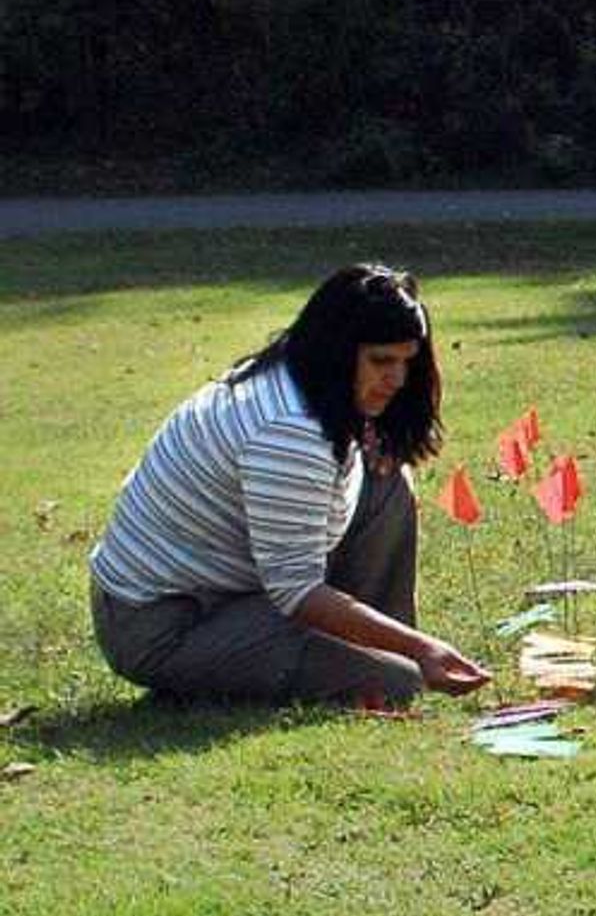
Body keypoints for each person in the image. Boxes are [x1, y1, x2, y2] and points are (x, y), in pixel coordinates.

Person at [89, 263, 493, 706]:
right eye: (381, 361)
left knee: (385, 481)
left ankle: (370, 647)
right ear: (339, 350)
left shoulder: (301, 375)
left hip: (235, 589)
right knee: (398, 683)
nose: (397, 380)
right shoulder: (287, 429)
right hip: (164, 625)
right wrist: (420, 648)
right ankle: (193, 683)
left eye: (406, 362)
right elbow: (295, 589)